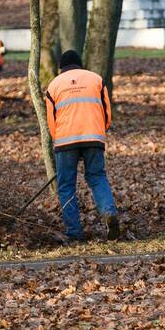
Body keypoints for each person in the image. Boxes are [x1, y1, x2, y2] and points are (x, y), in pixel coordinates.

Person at [44, 50, 121, 242]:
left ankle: (74, 233)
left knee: (66, 186)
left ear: (61, 67)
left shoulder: (53, 85)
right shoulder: (96, 79)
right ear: (80, 64)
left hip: (64, 141)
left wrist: (60, 143)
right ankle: (109, 213)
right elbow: (107, 112)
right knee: (97, 177)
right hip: (94, 137)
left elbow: (51, 121)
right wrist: (99, 133)